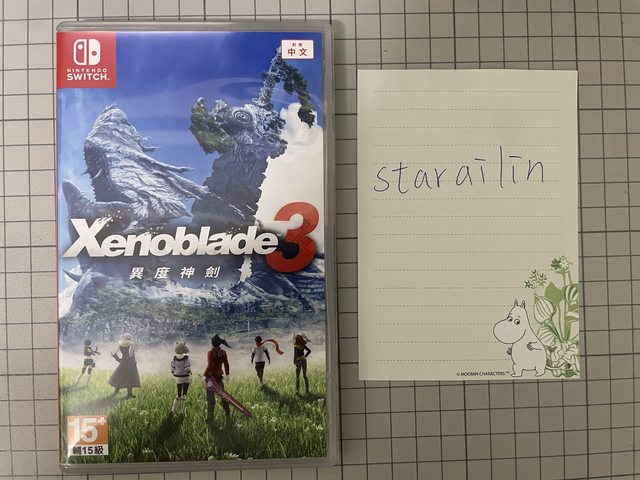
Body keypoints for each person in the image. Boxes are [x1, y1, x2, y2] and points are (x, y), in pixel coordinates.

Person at [204, 334, 231, 423]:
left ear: (212, 343)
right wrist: (227, 374)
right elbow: (226, 364)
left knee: (210, 398)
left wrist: (204, 375)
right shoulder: (223, 352)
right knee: (223, 396)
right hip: (219, 378)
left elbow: (210, 366)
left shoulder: (210, 353)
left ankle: (210, 417)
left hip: (210, 379)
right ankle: (227, 413)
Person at [108, 333, 141, 399]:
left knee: (120, 375)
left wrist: (118, 359)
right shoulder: (131, 344)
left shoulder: (120, 344)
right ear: (129, 338)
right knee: (130, 378)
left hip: (123, 362)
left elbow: (113, 352)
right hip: (130, 362)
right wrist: (133, 360)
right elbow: (130, 354)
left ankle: (117, 390)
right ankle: (129, 394)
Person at [170, 341, 192, 415]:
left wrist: (174, 373)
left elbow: (172, 367)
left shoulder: (174, 358)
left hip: (178, 378)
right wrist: (190, 375)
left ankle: (173, 409)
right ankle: (182, 411)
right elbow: (187, 368)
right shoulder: (186, 358)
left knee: (178, 394)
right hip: (186, 377)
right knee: (184, 395)